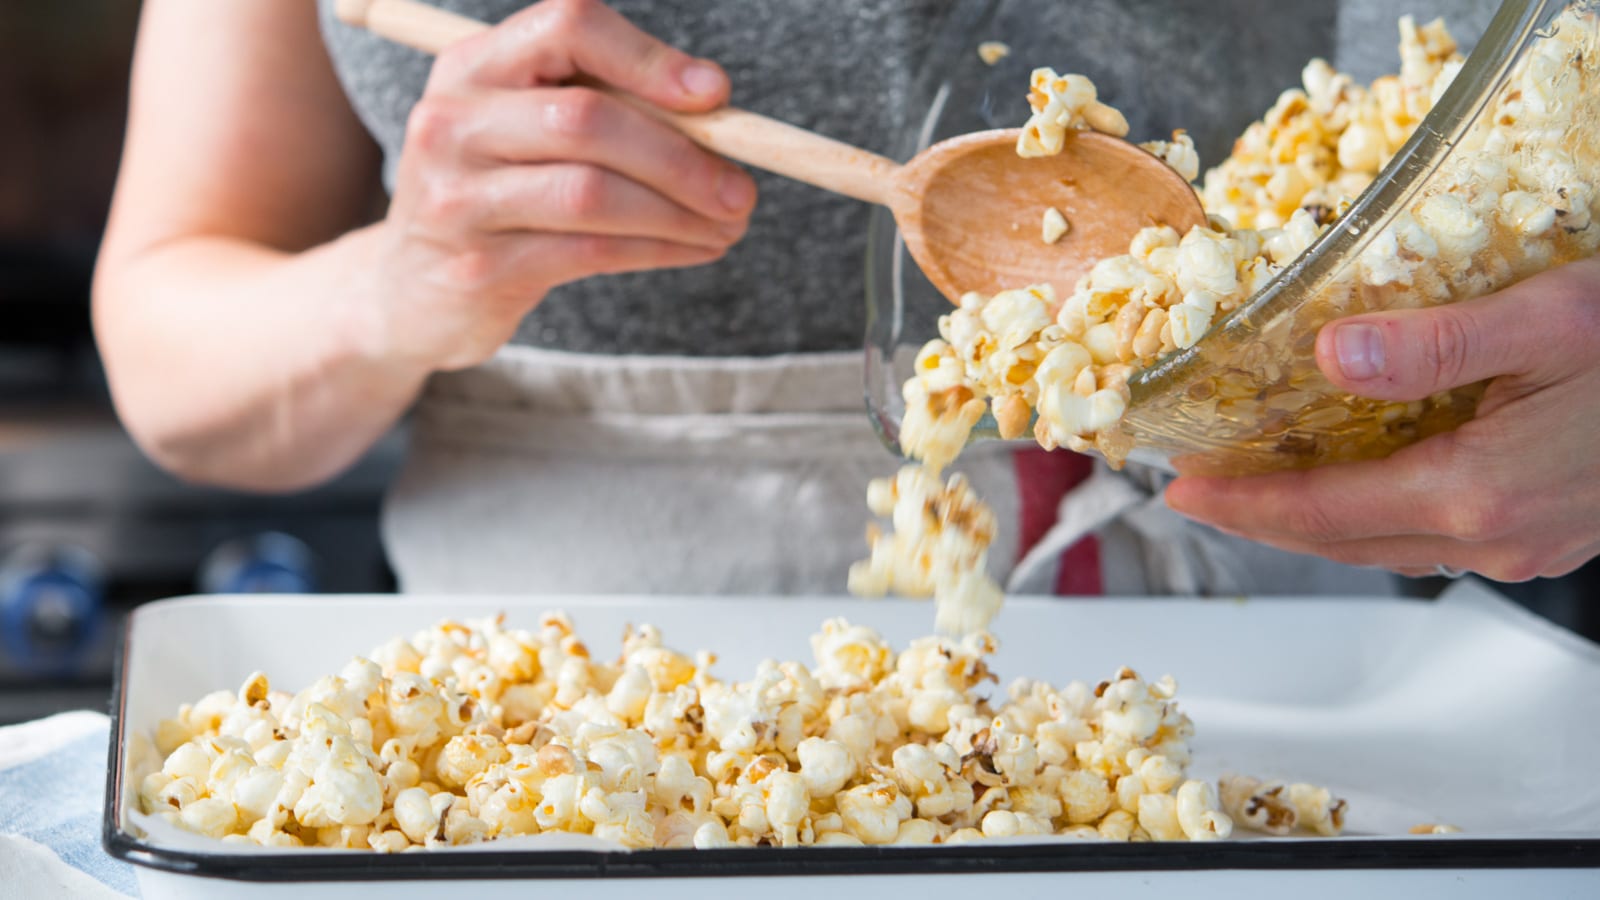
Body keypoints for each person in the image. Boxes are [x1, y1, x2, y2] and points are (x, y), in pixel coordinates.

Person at [96, 0, 1587, 597]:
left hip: (1276, 652)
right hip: (573, 717)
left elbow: (1534, 115)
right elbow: (174, 359)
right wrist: (397, 289)